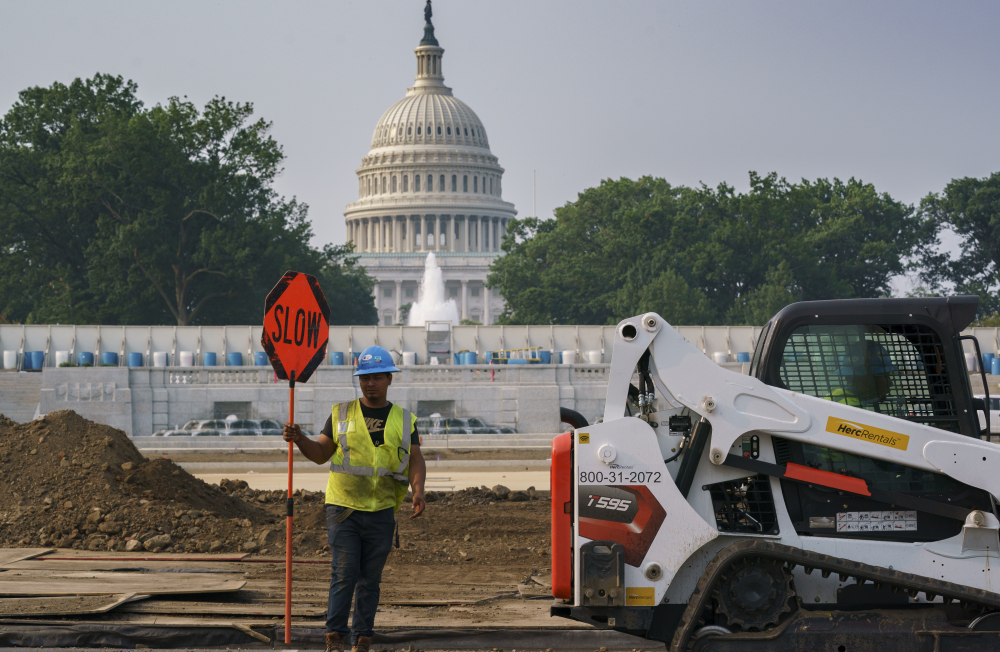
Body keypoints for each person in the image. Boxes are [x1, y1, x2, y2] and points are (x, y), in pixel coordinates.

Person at [283, 345, 426, 652]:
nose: (369, 383)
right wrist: (300, 439)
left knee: (370, 580)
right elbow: (321, 453)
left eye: (376, 377)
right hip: (343, 508)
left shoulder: (404, 419)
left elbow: (416, 459)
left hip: (382, 510)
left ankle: (362, 639)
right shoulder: (340, 413)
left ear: (389, 379)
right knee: (345, 573)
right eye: (364, 378)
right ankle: (334, 637)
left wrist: (418, 490)